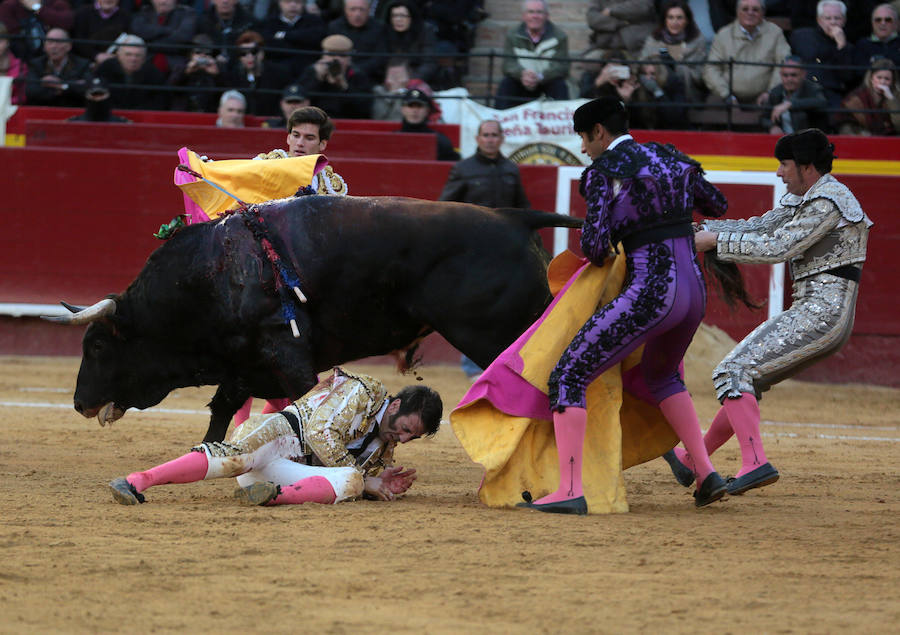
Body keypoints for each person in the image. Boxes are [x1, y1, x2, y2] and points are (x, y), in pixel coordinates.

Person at [518, 97, 730, 514]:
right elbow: (717, 204)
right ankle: (706, 472)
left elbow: (595, 248)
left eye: (583, 137)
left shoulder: (605, 172)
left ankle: (570, 490)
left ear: (599, 132)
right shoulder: (671, 158)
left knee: (568, 374)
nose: (583, 149)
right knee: (663, 375)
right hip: (692, 292)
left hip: (652, 293)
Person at [665, 129, 872, 496]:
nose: (778, 172)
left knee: (735, 369)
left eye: (784, 165)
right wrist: (697, 229)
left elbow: (777, 246)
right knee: (747, 376)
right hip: (817, 308)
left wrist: (714, 241)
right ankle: (692, 458)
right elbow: (759, 227)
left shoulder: (829, 202)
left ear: (807, 167)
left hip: (824, 312)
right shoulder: (808, 198)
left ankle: (755, 462)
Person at [108, 367, 443, 507]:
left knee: (353, 481)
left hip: (288, 477)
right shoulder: (366, 391)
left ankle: (270, 496)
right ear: (396, 405)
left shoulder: (383, 448)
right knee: (232, 456)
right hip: (281, 435)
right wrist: (364, 479)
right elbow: (319, 432)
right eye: (406, 428)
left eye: (412, 437)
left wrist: (378, 482)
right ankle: (140, 480)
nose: (403, 438)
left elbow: (346, 477)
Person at [439, 119, 530, 380]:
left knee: (504, 307)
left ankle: (497, 363)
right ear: (478, 139)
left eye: (494, 135)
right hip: (472, 252)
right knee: (474, 307)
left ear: (501, 139)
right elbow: (445, 208)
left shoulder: (511, 169)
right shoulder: (463, 169)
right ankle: (472, 366)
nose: (490, 139)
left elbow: (521, 208)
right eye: (486, 135)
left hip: (506, 252)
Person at [702, 0, 790, 106]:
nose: (750, 13)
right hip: (728, 98)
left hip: (765, 98)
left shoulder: (775, 33)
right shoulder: (723, 35)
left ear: (763, 12)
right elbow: (711, 69)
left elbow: (784, 64)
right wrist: (726, 95)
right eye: (745, 9)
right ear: (737, 12)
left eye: (755, 10)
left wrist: (770, 92)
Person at [494, 0, 569, 109]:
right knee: (506, 84)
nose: (535, 16)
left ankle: (562, 123)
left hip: (546, 81)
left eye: (539, 12)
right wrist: (522, 74)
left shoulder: (560, 36)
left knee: (560, 85)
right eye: (531, 12)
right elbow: (508, 64)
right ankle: (500, 121)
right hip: (520, 81)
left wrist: (540, 77)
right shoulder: (512, 34)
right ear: (524, 16)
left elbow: (562, 66)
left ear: (547, 16)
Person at [638, 0, 708, 105]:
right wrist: (647, 68)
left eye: (679, 18)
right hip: (655, 91)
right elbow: (641, 63)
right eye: (670, 17)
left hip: (685, 93)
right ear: (665, 20)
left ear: (687, 20)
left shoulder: (697, 41)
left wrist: (673, 68)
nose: (674, 22)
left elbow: (700, 75)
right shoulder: (654, 39)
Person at [790, 0, 856, 110]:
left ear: (844, 21)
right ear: (819, 20)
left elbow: (847, 77)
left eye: (837, 18)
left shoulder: (848, 47)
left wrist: (841, 46)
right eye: (828, 18)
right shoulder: (801, 36)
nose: (833, 22)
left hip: (831, 95)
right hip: (803, 91)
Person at [298, 32, 373, 119]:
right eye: (331, 54)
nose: (336, 59)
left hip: (346, 122)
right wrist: (316, 79)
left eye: (342, 55)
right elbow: (300, 100)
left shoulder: (357, 75)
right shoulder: (311, 71)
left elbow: (364, 109)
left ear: (349, 58)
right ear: (323, 56)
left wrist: (344, 86)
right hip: (315, 120)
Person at [224, 30, 291, 116]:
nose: (249, 56)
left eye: (254, 52)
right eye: (243, 53)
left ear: (262, 52)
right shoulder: (234, 76)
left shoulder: (279, 73)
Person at [94, 34, 168, 110]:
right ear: (119, 55)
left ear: (144, 58)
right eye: (128, 54)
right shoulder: (106, 68)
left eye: (138, 55)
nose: (133, 59)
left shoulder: (154, 74)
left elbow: (160, 102)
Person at [759, 55, 829, 134]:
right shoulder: (776, 92)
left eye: (794, 75)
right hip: (783, 141)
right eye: (785, 75)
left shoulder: (812, 88)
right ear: (780, 75)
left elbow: (822, 102)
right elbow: (764, 118)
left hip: (808, 140)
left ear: (803, 74)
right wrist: (772, 126)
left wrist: (791, 104)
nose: (789, 79)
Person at [130, 0, 199, 78]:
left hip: (176, 63)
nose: (163, 2)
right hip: (146, 61)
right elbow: (139, 32)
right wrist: (167, 31)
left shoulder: (188, 13)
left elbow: (183, 37)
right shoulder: (143, 12)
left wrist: (149, 44)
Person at [24, 27, 90, 107]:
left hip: (73, 112)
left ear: (69, 46)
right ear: (44, 47)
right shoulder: (36, 64)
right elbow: (31, 92)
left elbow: (86, 91)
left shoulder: (82, 64)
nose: (53, 46)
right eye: (50, 42)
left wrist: (59, 85)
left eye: (58, 42)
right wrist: (68, 88)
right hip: (44, 111)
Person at [258, 0, 326, 75]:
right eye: (287, 1)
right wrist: (301, 40)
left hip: (307, 69)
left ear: (303, 3)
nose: (293, 5)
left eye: (298, 2)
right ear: (279, 3)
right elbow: (269, 45)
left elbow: (317, 39)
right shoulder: (268, 22)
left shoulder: (314, 21)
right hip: (277, 70)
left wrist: (284, 35)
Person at [326, 0, 386, 83]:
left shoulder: (379, 28)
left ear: (369, 10)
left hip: (370, 77)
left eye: (362, 9)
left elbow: (380, 58)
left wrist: (356, 71)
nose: (357, 14)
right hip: (340, 76)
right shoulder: (334, 27)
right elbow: (329, 55)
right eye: (353, 9)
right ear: (345, 10)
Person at [837, 57, 900, 135]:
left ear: (892, 81)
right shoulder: (857, 97)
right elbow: (845, 126)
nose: (882, 82)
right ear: (871, 78)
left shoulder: (896, 96)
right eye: (879, 77)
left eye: (887, 79)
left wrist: (891, 99)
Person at [381, 0, 437, 84]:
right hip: (389, 79)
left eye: (403, 16)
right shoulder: (384, 31)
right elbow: (379, 61)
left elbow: (429, 63)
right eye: (394, 16)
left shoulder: (425, 30)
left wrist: (412, 80)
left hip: (416, 79)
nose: (398, 19)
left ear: (412, 17)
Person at [396, 87, 458, 161]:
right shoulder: (391, 141)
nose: (415, 110)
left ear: (427, 110)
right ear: (402, 109)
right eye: (410, 106)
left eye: (419, 106)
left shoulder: (440, 142)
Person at [0, 0, 73, 62]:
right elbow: (8, 32)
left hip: (51, 59)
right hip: (20, 58)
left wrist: (37, 8)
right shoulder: (9, 5)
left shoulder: (56, 3)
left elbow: (67, 23)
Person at [196, 0, 258, 70]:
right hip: (210, 67)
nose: (225, 1)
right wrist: (214, 56)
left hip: (240, 69)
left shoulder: (249, 22)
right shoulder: (202, 21)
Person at [586, 0, 657, 60]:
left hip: (634, 47)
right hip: (604, 45)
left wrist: (610, 11)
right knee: (585, 64)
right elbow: (592, 19)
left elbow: (643, 7)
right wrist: (622, 22)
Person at [71, 0, 130, 65]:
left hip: (116, 61)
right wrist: (95, 55)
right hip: (85, 61)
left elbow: (127, 39)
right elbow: (77, 39)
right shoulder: (82, 12)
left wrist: (116, 57)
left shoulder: (125, 15)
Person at [852, 4, 900, 83]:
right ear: (872, 23)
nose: (883, 23)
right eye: (878, 20)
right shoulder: (862, 44)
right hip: (869, 90)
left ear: (897, 23)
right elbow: (858, 74)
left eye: (888, 20)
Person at [66, 75, 131, 122]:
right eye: (94, 94)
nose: (98, 98)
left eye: (101, 94)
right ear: (86, 96)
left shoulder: (121, 123)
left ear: (108, 95)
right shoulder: (74, 122)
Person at [0, 21, 27, 104]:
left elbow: (22, 97)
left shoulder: (20, 66)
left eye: (0, 40)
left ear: (7, 42)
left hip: (12, 112)